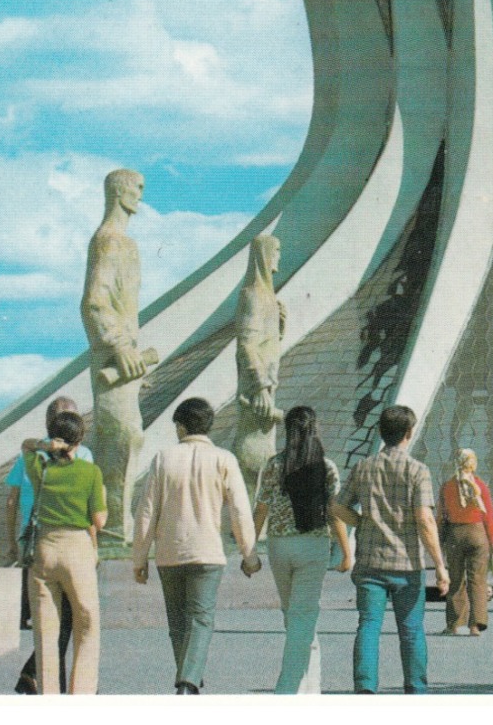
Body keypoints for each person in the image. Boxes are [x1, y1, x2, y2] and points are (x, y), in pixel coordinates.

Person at [132, 397, 260, 694]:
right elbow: (241, 510)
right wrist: (249, 554)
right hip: (208, 552)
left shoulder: (163, 458)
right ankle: (189, 681)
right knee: (201, 619)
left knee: (177, 622)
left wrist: (139, 559)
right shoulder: (224, 459)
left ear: (180, 427)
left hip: (170, 552)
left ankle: (188, 678)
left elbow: (146, 512)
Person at [331, 404, 450, 694]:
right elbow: (424, 520)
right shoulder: (418, 471)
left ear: (381, 433)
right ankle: (415, 688)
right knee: (411, 631)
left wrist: (361, 521)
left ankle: (365, 688)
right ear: (409, 433)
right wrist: (440, 566)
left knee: (369, 626)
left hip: (370, 562)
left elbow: (335, 506)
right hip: (407, 565)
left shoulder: (364, 467)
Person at [253, 405, 352, 694]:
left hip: (279, 545)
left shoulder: (274, 464)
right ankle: (287, 689)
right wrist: (346, 552)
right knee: (303, 616)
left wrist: (249, 549)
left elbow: (261, 509)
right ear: (314, 429)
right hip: (313, 545)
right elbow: (334, 514)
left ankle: (312, 688)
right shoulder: (326, 466)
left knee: (294, 615)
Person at [84, 169, 152, 548]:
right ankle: (110, 530)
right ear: (120, 191)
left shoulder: (126, 243)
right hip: (113, 359)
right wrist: (119, 345)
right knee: (121, 437)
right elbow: (94, 302)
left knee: (128, 438)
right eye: (137, 188)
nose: (141, 194)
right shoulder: (109, 241)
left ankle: (115, 527)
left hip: (126, 365)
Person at [10, 397, 93, 694]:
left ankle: (44, 684)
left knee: (49, 624)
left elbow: (25, 444)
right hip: (69, 547)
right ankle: (79, 690)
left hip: (42, 546)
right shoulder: (86, 467)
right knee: (80, 621)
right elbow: (95, 517)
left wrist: (45, 446)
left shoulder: (37, 464)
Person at [235, 235, 287, 499]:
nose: (279, 256)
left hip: (266, 390)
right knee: (254, 458)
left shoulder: (268, 298)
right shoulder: (253, 295)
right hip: (258, 395)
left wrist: (279, 327)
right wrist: (260, 387)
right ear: (264, 255)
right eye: (275, 250)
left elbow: (265, 345)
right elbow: (246, 344)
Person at [437, 448, 493, 636]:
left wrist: (439, 538)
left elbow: (441, 516)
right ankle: (475, 625)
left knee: (456, 579)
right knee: (478, 580)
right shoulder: (480, 486)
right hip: (478, 534)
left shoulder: (447, 487)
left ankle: (453, 624)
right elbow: (490, 517)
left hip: (455, 534)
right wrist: (492, 539)